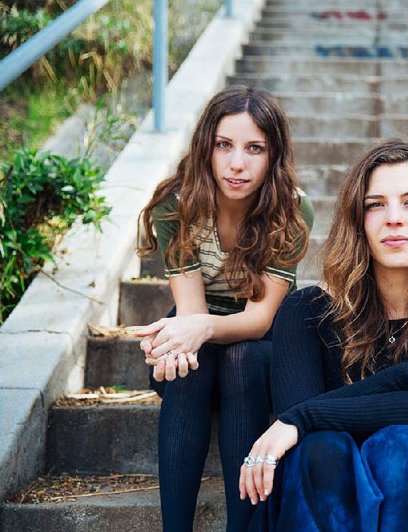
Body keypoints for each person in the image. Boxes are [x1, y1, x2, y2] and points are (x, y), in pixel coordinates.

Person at [239, 140, 408, 531]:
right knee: (319, 449)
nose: (394, 218)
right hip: (327, 499)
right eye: (375, 204)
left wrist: (307, 416)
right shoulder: (306, 312)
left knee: (406, 446)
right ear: (358, 221)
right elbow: (301, 421)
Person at [135, 85, 314, 531]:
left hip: (260, 351)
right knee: (186, 365)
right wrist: (176, 344)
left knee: (241, 356)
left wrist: (194, 331)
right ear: (206, 148)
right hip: (199, 338)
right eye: (225, 146)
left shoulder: (290, 210)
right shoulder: (177, 205)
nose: (237, 164)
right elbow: (191, 312)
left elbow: (259, 320)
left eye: (255, 148)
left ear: (274, 156)